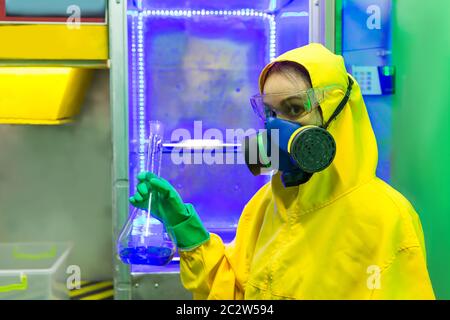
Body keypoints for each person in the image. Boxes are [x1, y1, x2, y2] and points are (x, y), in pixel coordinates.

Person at [129, 43, 434, 299]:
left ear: (336, 113)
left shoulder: (385, 216)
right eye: (271, 113)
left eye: (295, 109)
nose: (276, 127)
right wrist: (182, 225)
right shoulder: (267, 203)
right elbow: (232, 290)